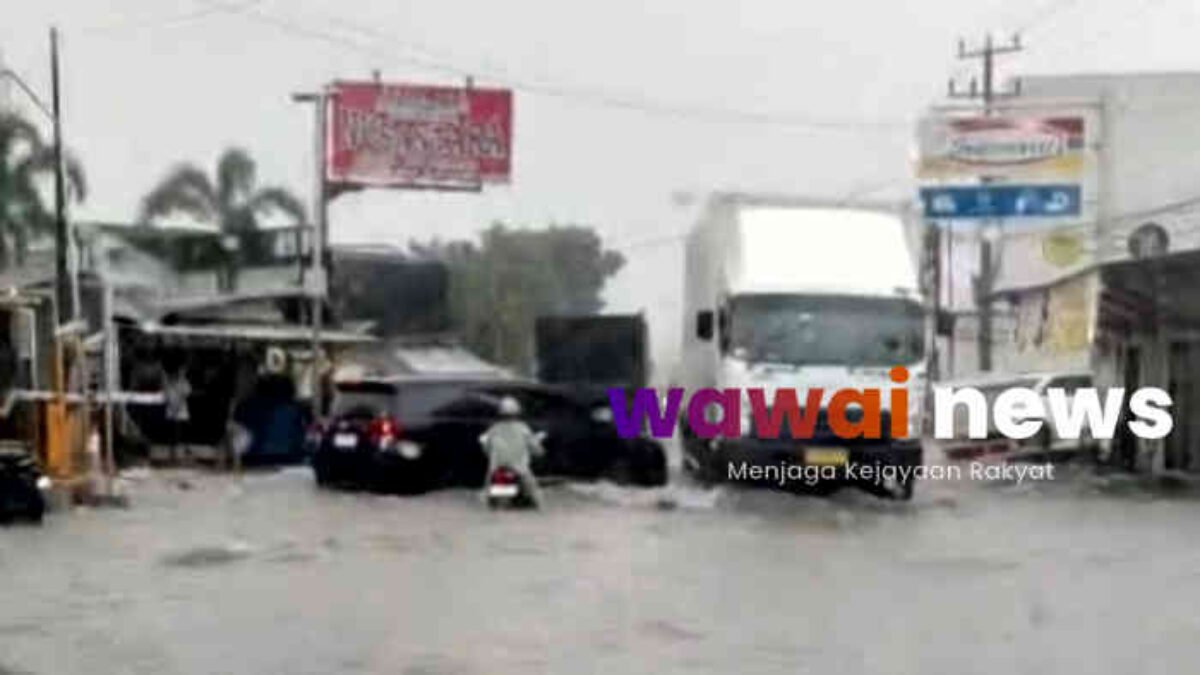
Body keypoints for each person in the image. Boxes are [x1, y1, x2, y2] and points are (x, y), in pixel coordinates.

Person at [479, 396, 545, 507]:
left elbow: (486, 449)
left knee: (485, 495)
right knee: (537, 497)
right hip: (520, 469)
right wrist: (540, 451)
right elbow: (535, 448)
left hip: (496, 468)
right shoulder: (523, 429)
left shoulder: (494, 429)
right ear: (517, 413)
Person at [163, 365, 192, 465]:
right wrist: (173, 407)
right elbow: (166, 396)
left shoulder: (184, 382)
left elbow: (186, 394)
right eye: (176, 374)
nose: (177, 375)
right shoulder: (167, 383)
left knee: (184, 435)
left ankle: (185, 456)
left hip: (182, 414)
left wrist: (177, 406)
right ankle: (173, 457)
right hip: (171, 413)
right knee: (172, 437)